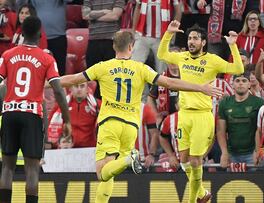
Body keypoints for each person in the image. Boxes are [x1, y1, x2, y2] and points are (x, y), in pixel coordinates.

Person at [58, 30, 223, 203]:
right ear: (131, 46)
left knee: (102, 172)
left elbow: (73, 79)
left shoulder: (102, 67)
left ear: (114, 46)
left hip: (109, 124)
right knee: (110, 174)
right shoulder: (142, 69)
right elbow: (170, 82)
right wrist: (200, 88)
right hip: (130, 127)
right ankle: (127, 161)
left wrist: (47, 82)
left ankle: (129, 159)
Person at [157, 20, 244, 202]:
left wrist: (233, 46)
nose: (191, 41)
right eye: (190, 38)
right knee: (183, 161)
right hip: (184, 115)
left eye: (196, 38)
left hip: (202, 115)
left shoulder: (212, 60)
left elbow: (238, 68)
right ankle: (202, 193)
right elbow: (161, 53)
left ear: (204, 42)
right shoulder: (182, 57)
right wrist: (169, 33)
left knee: (196, 161)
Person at [0, 16, 70, 203]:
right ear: (40, 34)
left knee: (7, 167)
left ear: (21, 33)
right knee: (32, 169)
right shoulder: (47, 58)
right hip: (32, 114)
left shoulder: (7, 55)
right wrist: (67, 120)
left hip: (10, 113)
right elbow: (58, 91)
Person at [217, 70, 264, 169]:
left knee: (257, 182)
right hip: (232, 154)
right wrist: (224, 153)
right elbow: (220, 131)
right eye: (237, 81)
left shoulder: (259, 103)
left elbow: (263, 131)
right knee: (233, 184)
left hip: (253, 153)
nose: (240, 83)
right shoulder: (224, 103)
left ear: (249, 84)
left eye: (244, 81)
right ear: (233, 85)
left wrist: (258, 152)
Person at [82, 0, 124, 99]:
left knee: (112, 77)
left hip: (112, 42)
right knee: (93, 77)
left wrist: (94, 16)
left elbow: (115, 16)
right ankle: (95, 107)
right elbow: (85, 15)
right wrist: (105, 11)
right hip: (93, 41)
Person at [47, 82, 101, 149]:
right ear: (70, 88)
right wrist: (56, 144)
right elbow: (50, 123)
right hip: (67, 148)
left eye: (82, 86)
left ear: (87, 88)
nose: (79, 89)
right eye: (76, 86)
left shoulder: (97, 105)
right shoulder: (61, 105)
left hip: (90, 148)